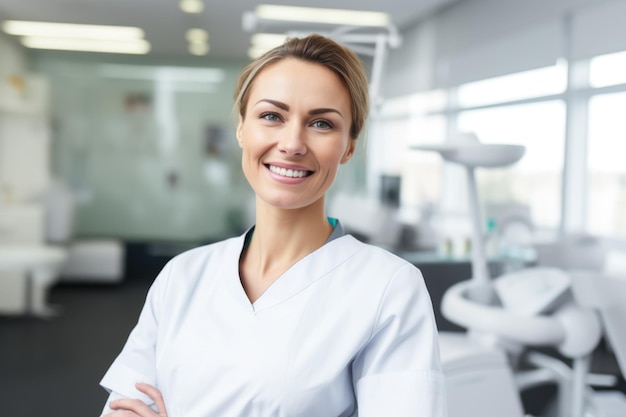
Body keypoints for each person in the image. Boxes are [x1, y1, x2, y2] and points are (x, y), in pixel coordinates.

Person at [100, 33, 447, 417]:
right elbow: (124, 407)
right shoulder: (182, 276)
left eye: (321, 123)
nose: (292, 143)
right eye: (271, 116)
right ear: (241, 129)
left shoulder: (389, 288)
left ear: (349, 145)